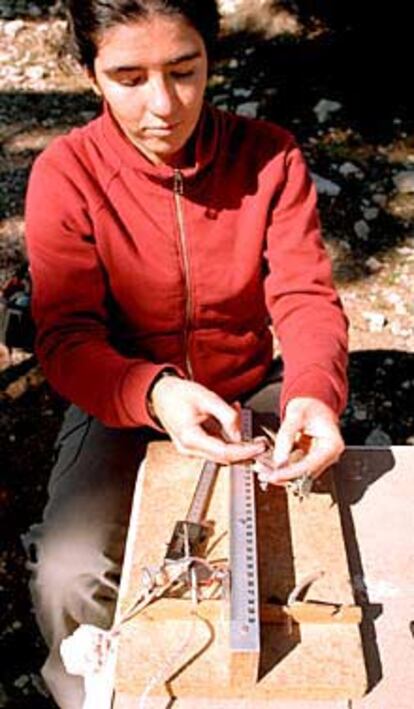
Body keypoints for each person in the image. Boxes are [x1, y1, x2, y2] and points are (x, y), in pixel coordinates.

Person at [23, 0, 348, 706]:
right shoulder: (64, 173)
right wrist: (154, 392)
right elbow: (66, 338)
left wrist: (314, 394)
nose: (162, 105)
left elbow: (304, 296)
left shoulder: (270, 154)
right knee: (69, 573)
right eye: (129, 76)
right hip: (121, 401)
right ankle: (91, 693)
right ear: (90, 75)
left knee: (310, 568)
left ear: (212, 59)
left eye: (183, 71)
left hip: (253, 391)